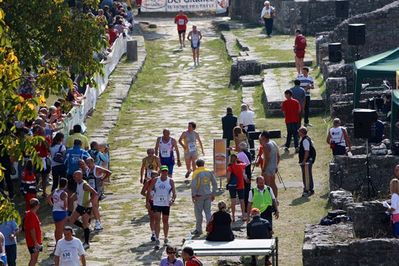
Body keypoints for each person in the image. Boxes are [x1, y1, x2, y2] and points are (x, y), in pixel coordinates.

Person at [146, 165, 177, 249]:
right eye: (163, 171)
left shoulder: (170, 181)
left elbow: (174, 193)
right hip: (157, 203)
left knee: (165, 221)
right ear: (160, 172)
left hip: (166, 204)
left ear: (167, 172)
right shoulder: (156, 180)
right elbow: (149, 191)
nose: (164, 172)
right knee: (157, 220)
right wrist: (147, 202)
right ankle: (157, 238)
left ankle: (166, 238)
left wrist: (172, 200)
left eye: (166, 171)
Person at [68, 170, 98, 249]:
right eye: (73, 176)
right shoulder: (78, 183)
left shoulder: (85, 185)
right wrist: (72, 198)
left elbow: (95, 193)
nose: (74, 178)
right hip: (79, 206)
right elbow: (78, 193)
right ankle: (86, 228)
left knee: (85, 224)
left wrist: (89, 201)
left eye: (75, 176)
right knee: (72, 220)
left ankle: (87, 242)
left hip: (86, 207)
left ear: (80, 176)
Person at [190, 159, 217, 236]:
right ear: (204, 164)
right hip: (208, 195)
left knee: (198, 213)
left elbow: (193, 185)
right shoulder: (209, 171)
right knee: (208, 213)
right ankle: (210, 229)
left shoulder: (196, 172)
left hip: (199, 195)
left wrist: (193, 195)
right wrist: (213, 193)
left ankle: (199, 230)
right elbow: (214, 183)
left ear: (196, 165)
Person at [85, 158, 111, 231]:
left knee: (94, 206)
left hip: (97, 190)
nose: (88, 165)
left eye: (89, 163)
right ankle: (94, 222)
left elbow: (109, 172)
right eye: (87, 163)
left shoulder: (97, 168)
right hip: (91, 190)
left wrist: (102, 179)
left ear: (93, 162)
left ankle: (98, 223)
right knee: (93, 206)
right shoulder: (87, 170)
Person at [226, 154, 247, 221]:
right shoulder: (241, 165)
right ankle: (243, 215)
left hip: (232, 185)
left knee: (233, 201)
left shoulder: (230, 167)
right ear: (236, 159)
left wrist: (229, 182)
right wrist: (239, 160)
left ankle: (233, 216)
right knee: (242, 200)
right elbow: (245, 163)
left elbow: (228, 177)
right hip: (240, 184)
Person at [259, 131, 280, 198]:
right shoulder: (273, 143)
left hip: (268, 168)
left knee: (266, 186)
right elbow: (278, 156)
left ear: (264, 137)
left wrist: (263, 169)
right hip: (273, 167)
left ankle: (268, 200)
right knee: (273, 184)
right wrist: (276, 165)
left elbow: (266, 159)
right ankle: (275, 199)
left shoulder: (266, 146)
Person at [48, 178, 68, 244]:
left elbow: (48, 197)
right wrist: (65, 209)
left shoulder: (55, 191)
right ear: (66, 185)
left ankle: (57, 243)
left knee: (57, 229)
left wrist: (52, 205)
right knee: (61, 230)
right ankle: (59, 244)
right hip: (61, 212)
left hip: (55, 212)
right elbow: (65, 205)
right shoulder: (64, 194)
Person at [298, 127, 316, 197]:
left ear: (302, 133)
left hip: (307, 161)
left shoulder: (305, 140)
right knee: (307, 175)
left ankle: (308, 190)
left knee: (306, 175)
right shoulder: (306, 138)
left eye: (299, 131)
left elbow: (307, 152)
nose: (298, 133)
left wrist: (304, 161)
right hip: (307, 160)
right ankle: (308, 189)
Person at [24, 198, 43, 266]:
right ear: (37, 205)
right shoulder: (31, 214)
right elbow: (32, 229)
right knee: (34, 259)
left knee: (34, 259)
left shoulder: (30, 213)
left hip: (33, 241)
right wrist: (36, 243)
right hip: (34, 242)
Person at [141, 171, 158, 242]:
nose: (154, 177)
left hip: (158, 202)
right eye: (153, 176)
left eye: (156, 176)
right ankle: (153, 233)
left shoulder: (159, 182)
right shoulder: (148, 182)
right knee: (152, 218)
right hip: (150, 202)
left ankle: (157, 232)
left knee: (157, 218)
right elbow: (142, 192)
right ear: (151, 176)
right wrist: (148, 195)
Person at [237, 142, 252, 211]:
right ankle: (248, 207)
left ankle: (245, 208)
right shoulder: (248, 154)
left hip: (243, 175)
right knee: (248, 191)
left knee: (243, 192)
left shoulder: (239, 155)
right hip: (248, 173)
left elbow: (241, 167)